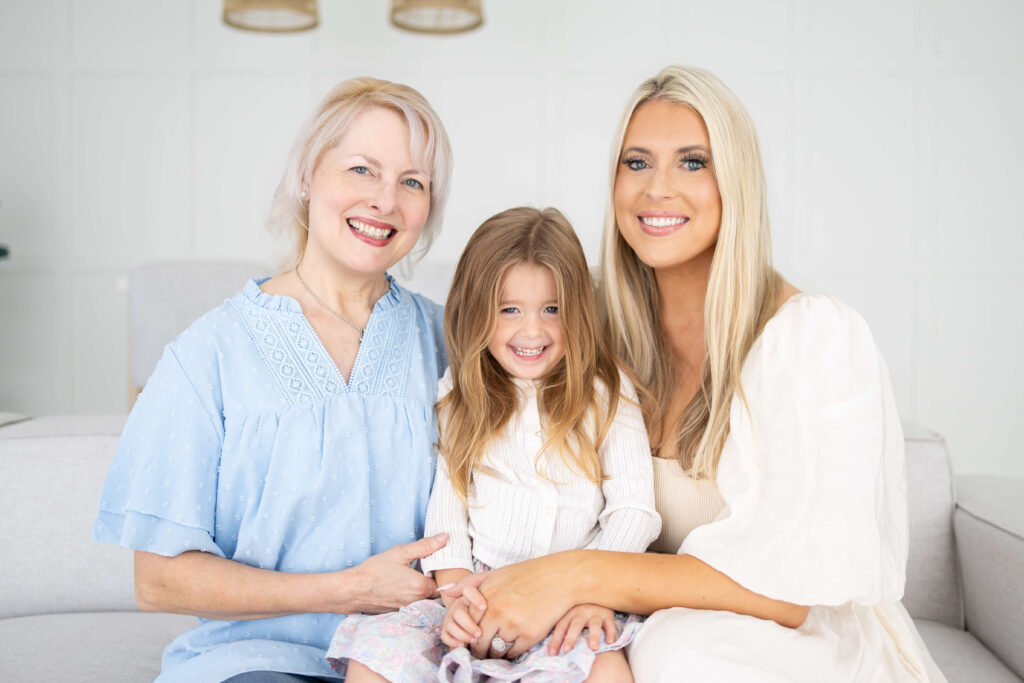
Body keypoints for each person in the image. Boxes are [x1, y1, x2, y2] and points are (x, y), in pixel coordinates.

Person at [443, 66, 946, 681]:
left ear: (735, 181)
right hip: (640, 621)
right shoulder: (580, 325)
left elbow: (789, 594)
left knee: (675, 654)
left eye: (692, 162)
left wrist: (573, 576)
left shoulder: (810, 338)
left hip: (795, 643)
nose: (658, 188)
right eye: (637, 162)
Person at [92, 77, 455, 682]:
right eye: (362, 170)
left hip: (409, 658)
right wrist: (346, 589)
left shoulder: (450, 341)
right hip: (257, 661)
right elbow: (157, 581)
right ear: (308, 175)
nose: (385, 201)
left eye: (412, 182)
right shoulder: (208, 353)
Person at [326, 207, 661, 682]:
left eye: (552, 309)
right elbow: (448, 510)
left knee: (606, 669)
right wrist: (458, 598)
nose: (533, 330)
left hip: (576, 596)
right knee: (375, 655)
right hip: (480, 590)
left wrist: (594, 594)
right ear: (477, 311)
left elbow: (634, 510)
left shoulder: (607, 392)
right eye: (509, 310)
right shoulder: (459, 394)